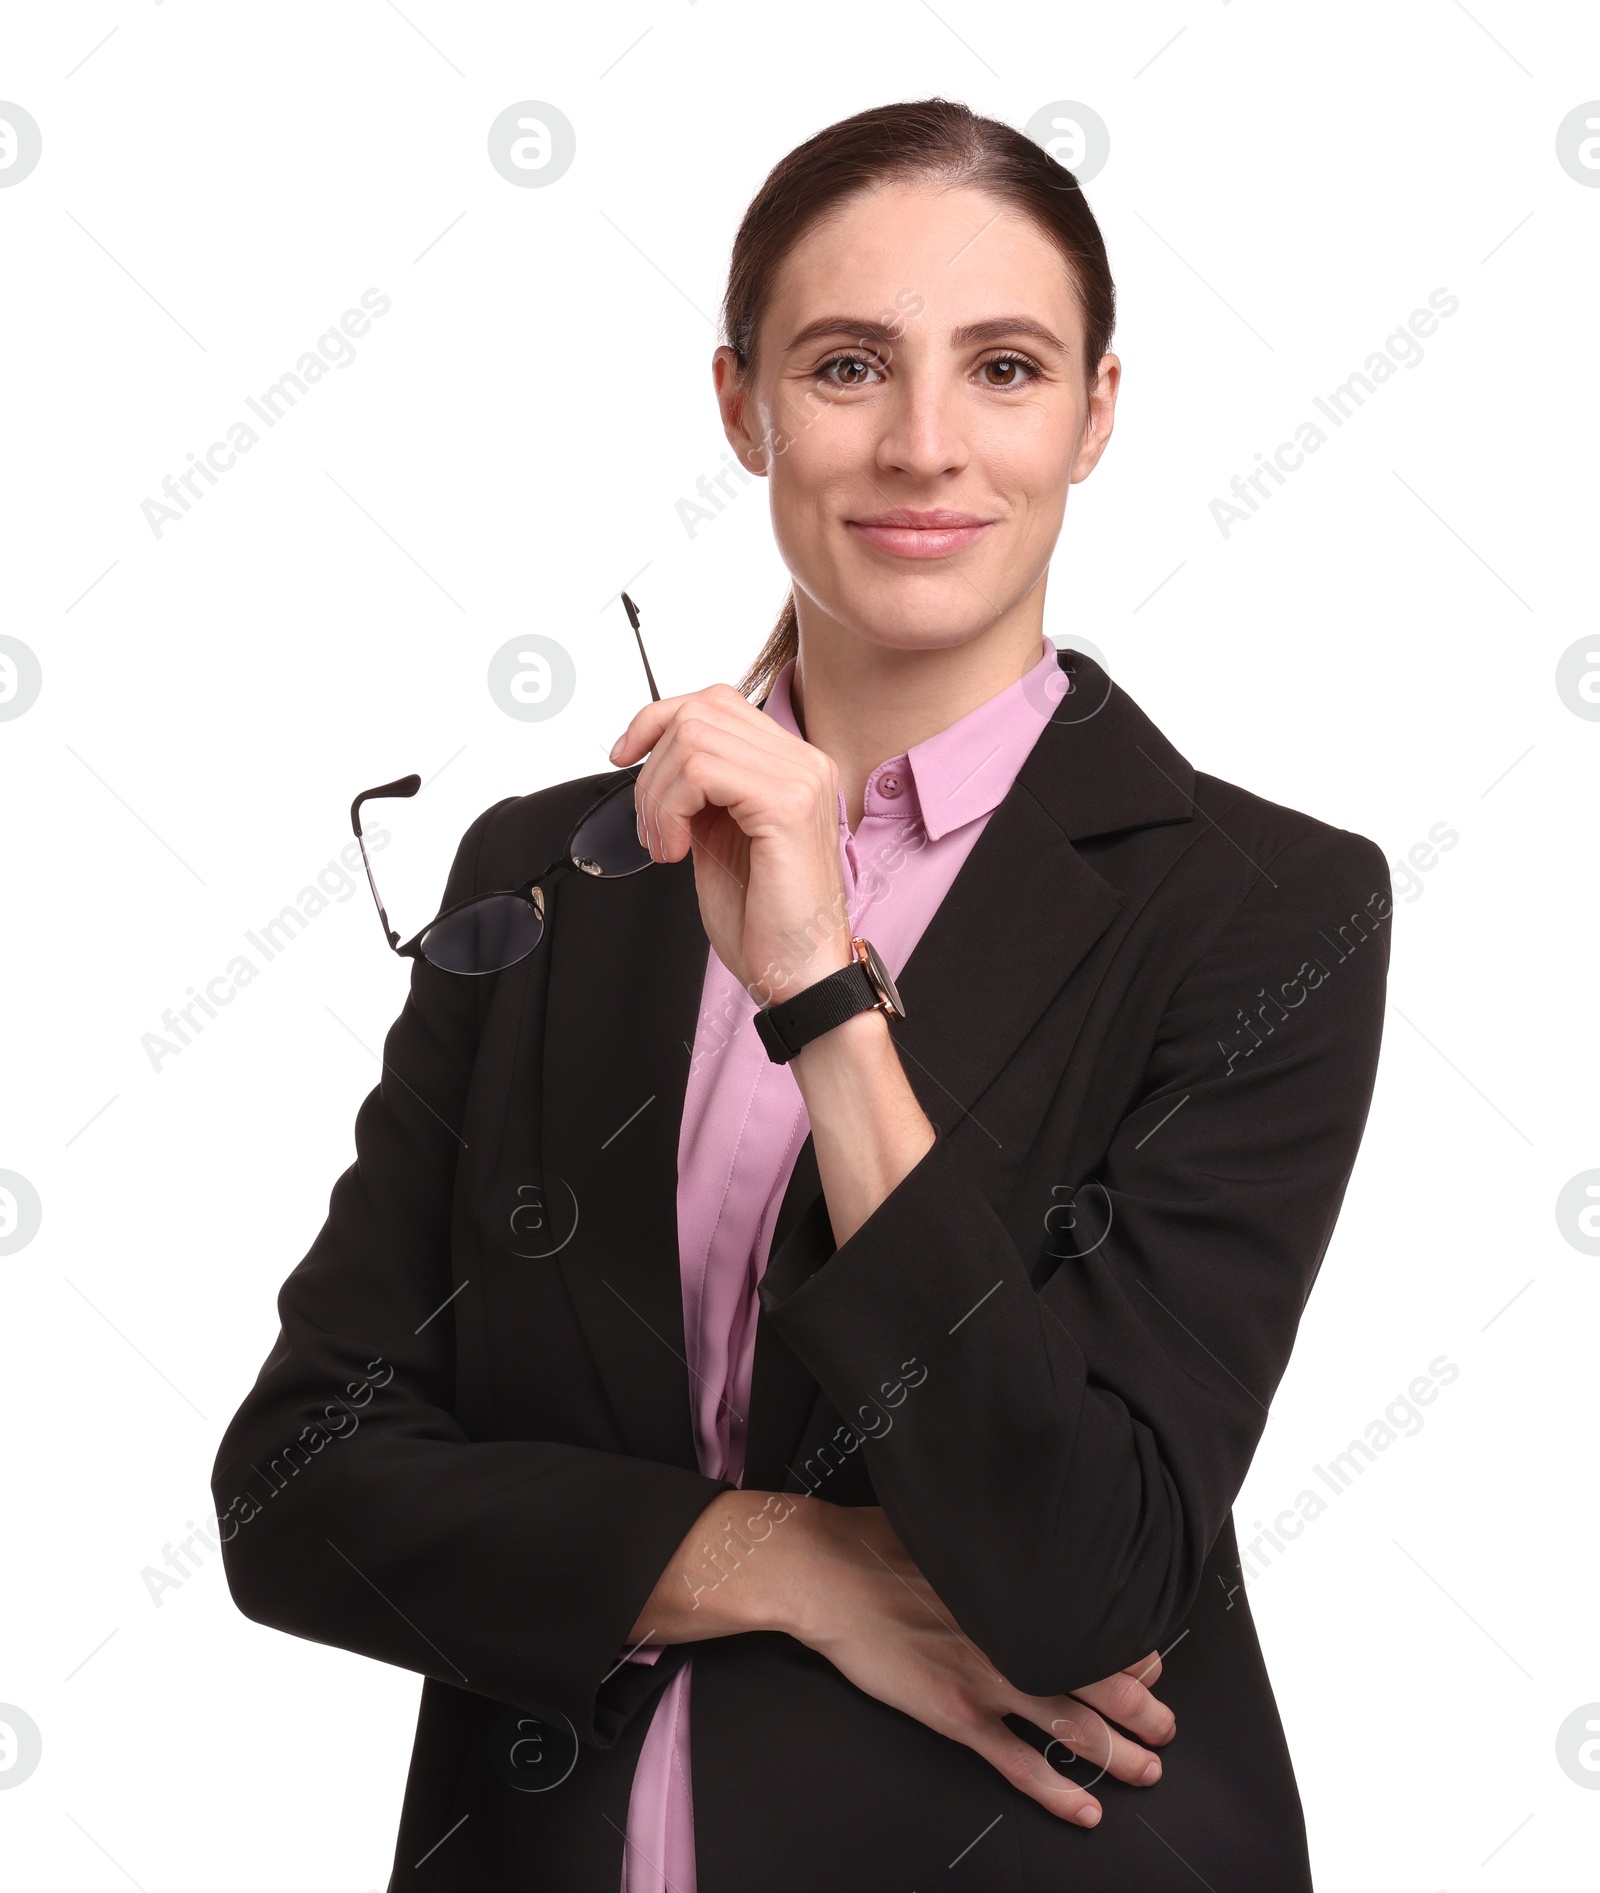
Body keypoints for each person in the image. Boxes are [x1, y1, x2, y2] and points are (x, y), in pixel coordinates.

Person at [212, 98, 1390, 1891]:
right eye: (849, 366)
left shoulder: (1259, 909)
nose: (927, 446)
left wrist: (824, 993)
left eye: (1004, 368)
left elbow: (1082, 1574)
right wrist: (781, 1559)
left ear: (1096, 415)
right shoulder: (548, 872)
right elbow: (302, 1485)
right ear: (742, 405)